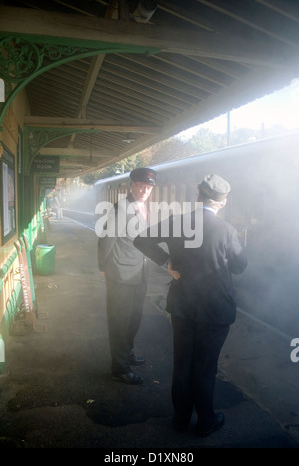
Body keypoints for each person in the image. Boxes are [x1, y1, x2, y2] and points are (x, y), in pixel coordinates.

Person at [133, 174, 247, 435]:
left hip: (183, 306)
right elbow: (241, 266)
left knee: (183, 363)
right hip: (215, 310)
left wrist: (166, 262)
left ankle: (181, 418)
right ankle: (206, 420)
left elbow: (141, 240)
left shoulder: (177, 222)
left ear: (198, 196)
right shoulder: (227, 231)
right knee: (205, 367)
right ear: (223, 202)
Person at [97, 167, 157, 385]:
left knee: (134, 318)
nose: (144, 190)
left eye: (148, 187)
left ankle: (128, 352)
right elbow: (106, 240)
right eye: (141, 185)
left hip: (139, 273)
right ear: (132, 185)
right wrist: (104, 267)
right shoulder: (120, 208)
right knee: (119, 321)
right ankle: (120, 368)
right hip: (120, 274)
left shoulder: (144, 208)